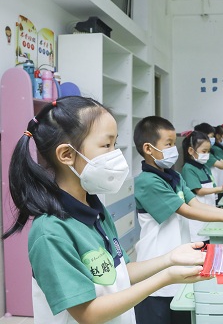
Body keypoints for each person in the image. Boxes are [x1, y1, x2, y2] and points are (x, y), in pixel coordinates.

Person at [4, 97, 208, 324]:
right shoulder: (51, 231)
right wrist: (167, 278)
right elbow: (89, 313)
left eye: (115, 144)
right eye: (106, 145)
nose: (115, 154)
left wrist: (170, 259)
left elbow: (118, 274)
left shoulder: (95, 210)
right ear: (67, 155)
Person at [133, 116, 223, 324]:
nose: (174, 149)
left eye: (174, 144)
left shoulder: (173, 176)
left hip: (178, 259)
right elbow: (186, 210)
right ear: (148, 148)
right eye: (168, 144)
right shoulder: (147, 181)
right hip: (156, 265)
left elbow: (196, 204)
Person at [181, 130, 223, 244]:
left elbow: (211, 187)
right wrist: (221, 188)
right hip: (198, 217)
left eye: (208, 151)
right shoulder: (188, 168)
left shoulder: (204, 167)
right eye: (204, 151)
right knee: (199, 244)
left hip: (208, 211)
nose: (207, 155)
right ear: (191, 150)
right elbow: (199, 191)